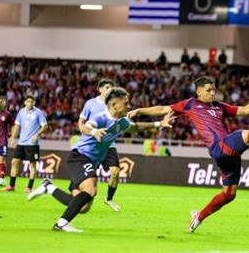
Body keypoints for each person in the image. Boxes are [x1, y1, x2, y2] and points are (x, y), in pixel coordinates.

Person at [127, 76, 249, 233]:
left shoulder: (220, 107)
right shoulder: (190, 104)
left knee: (229, 195)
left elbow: (245, 110)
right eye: (208, 90)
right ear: (199, 91)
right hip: (219, 148)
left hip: (229, 154)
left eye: (214, 90)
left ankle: (199, 216)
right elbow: (162, 109)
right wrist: (140, 111)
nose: (212, 93)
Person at [27, 87, 175, 232]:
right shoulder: (101, 118)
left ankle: (49, 188)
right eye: (126, 103)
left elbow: (135, 127)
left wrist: (159, 124)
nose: (129, 106)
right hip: (79, 157)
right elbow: (85, 127)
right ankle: (61, 224)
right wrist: (94, 131)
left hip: (90, 162)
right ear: (114, 105)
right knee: (91, 189)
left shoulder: (122, 122)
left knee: (82, 206)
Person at [78, 79, 123, 211]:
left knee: (115, 171)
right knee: (89, 179)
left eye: (112, 87)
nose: (110, 90)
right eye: (107, 87)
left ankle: (109, 198)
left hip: (109, 144)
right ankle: (78, 196)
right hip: (92, 144)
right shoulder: (91, 103)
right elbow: (81, 122)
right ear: (100, 89)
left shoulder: (113, 104)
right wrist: (88, 132)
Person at [2, 95, 48, 192]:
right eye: (28, 101)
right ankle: (11, 186)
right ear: (25, 102)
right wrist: (13, 137)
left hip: (32, 144)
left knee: (32, 165)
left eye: (32, 101)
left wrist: (37, 134)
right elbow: (17, 125)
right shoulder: (21, 112)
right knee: (14, 162)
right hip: (21, 142)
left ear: (34, 102)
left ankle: (29, 187)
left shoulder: (38, 113)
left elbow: (45, 126)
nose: (30, 103)